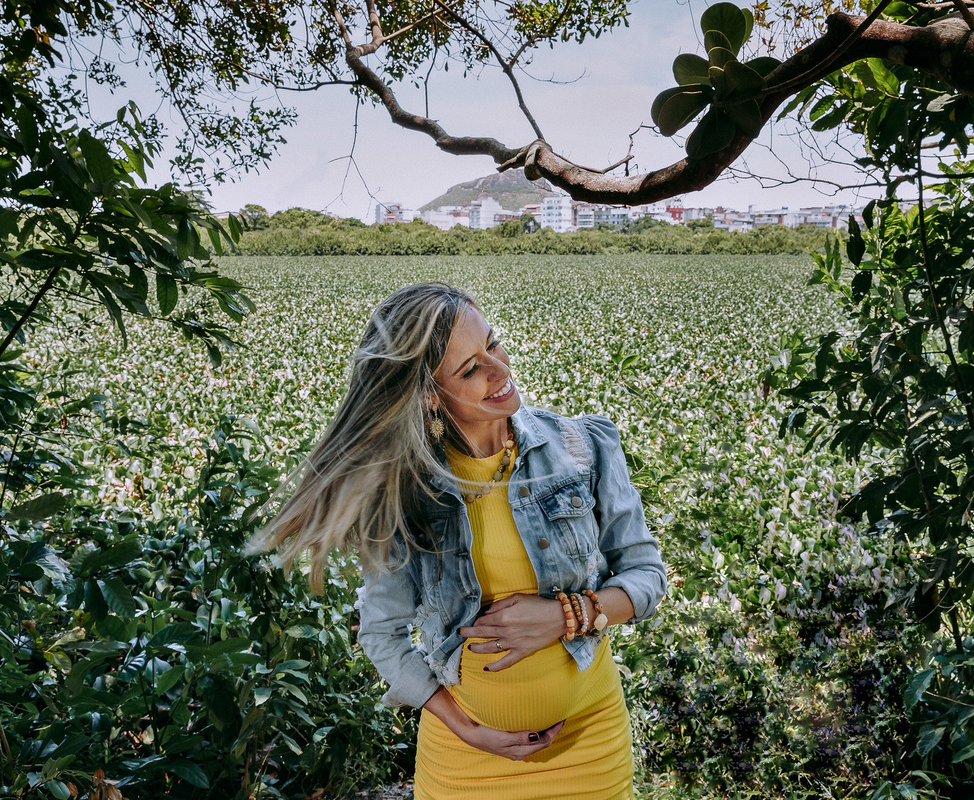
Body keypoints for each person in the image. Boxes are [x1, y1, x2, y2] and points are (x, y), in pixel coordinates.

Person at [254, 283, 666, 799]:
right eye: (470, 369)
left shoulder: (583, 447)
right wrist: (468, 729)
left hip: (589, 743)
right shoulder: (411, 493)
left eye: (493, 344)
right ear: (429, 393)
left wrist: (566, 615)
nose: (500, 370)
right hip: (467, 765)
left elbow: (647, 577)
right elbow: (382, 634)